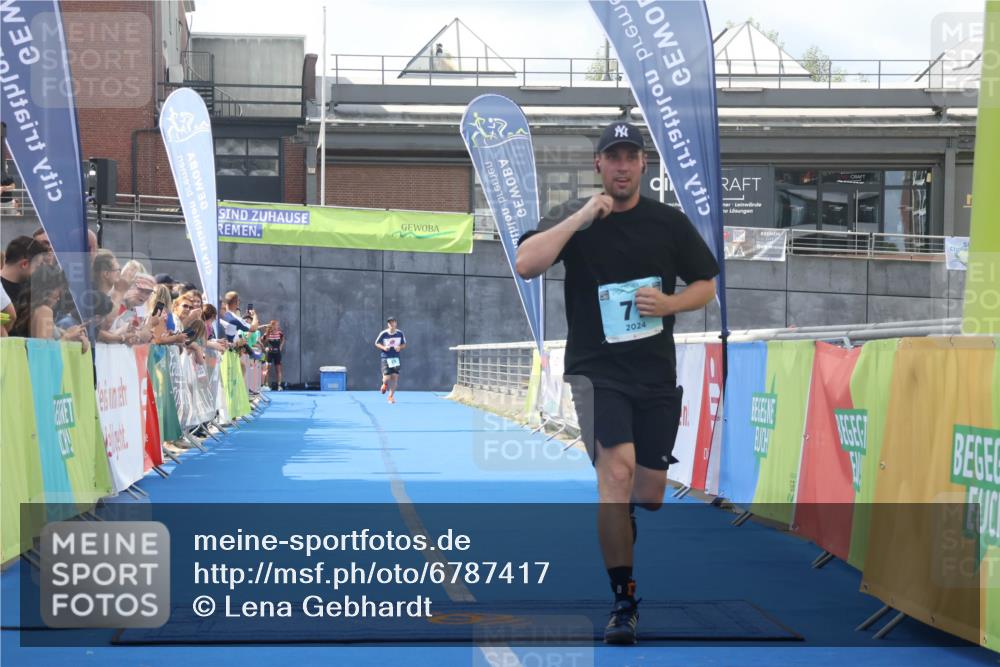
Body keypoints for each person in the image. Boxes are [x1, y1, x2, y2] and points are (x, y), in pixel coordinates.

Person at [515, 121, 719, 645]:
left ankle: (622, 510)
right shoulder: (576, 217)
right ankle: (623, 600)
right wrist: (580, 217)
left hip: (654, 373)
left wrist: (671, 304)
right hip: (596, 371)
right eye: (613, 157)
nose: (622, 166)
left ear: (644, 165)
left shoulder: (668, 223)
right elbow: (526, 263)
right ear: (599, 165)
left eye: (631, 157)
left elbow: (706, 284)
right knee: (616, 473)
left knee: (648, 495)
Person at [1, 236, 48, 303]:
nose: (39, 271)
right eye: (37, 266)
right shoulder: (3, 294)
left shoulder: (28, 287)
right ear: (24, 264)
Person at [374, 317, 406, 404]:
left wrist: (399, 347)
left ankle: (391, 396)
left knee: (395, 377)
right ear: (388, 324)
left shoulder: (400, 333)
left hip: (395, 358)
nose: (391, 324)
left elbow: (404, 344)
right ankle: (384, 384)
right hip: (386, 357)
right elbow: (376, 343)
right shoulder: (383, 333)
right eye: (390, 323)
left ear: (396, 323)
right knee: (387, 377)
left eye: (393, 322)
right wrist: (384, 347)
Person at [264, 319, 286, 390]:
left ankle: (279, 386)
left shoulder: (280, 333)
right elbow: (263, 340)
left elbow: (283, 339)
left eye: (277, 325)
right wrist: (266, 347)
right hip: (270, 353)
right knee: (267, 369)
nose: (277, 326)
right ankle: (266, 385)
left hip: (277, 353)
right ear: (272, 325)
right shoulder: (267, 333)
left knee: (278, 370)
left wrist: (280, 347)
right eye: (276, 325)